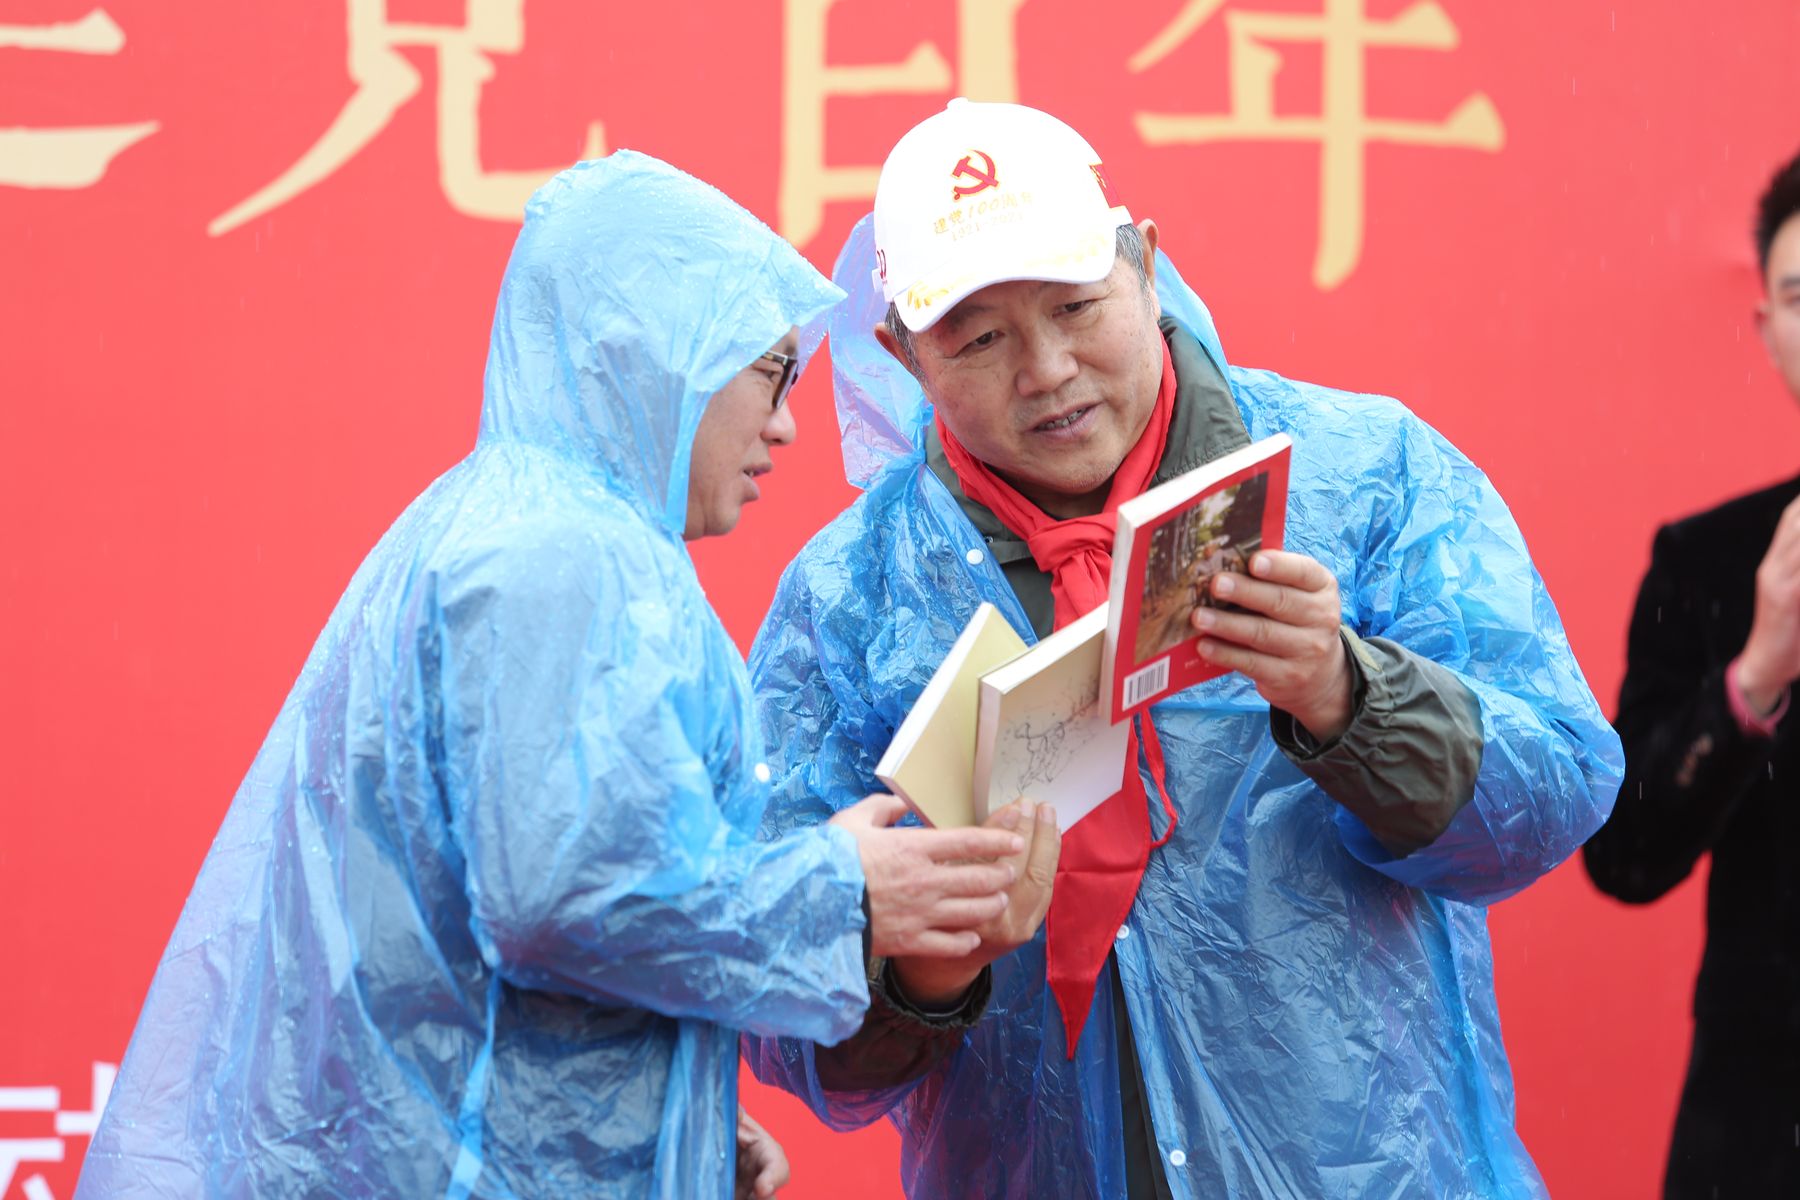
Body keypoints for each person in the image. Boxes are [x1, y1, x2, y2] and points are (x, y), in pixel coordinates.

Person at [77, 152, 1026, 1199]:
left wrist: (668, 1108)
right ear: (653, 349)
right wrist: (844, 890)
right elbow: (567, 900)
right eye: (768, 372)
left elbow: (460, 931)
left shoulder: (518, 527)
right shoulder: (561, 556)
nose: (786, 425)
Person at [742, 100, 1623, 1198]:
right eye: (979, 338)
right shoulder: (851, 598)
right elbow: (773, 998)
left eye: (1075, 305)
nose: (1047, 370)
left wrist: (1349, 696)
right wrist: (916, 968)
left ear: (1146, 265)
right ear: (903, 355)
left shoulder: (1364, 475)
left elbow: (1553, 796)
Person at [1583, 148, 1800, 1197]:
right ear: (1768, 329)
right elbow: (1624, 853)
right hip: (1765, 1126)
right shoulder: (1709, 564)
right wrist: (1757, 673)